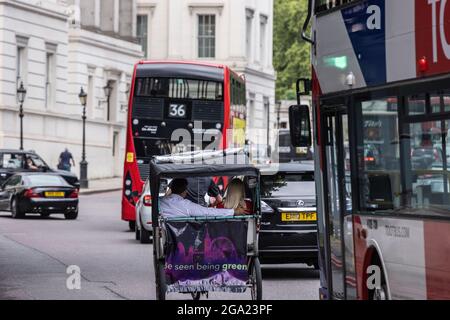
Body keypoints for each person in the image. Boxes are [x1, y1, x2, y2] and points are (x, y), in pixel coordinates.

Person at [159, 178, 247, 219]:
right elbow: (208, 212)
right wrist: (233, 211)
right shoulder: (187, 205)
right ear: (185, 191)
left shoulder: (160, 202)